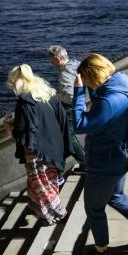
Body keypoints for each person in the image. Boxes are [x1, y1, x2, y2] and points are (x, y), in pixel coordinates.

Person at [72, 53, 128, 255]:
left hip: (105, 163)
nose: (86, 83)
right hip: (121, 157)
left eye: (86, 79)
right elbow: (102, 103)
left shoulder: (108, 102)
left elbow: (80, 125)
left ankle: (101, 251)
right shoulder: (122, 83)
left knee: (94, 208)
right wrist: (90, 86)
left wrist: (78, 92)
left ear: (92, 77)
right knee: (116, 196)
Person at [6, 64, 69, 225]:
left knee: (41, 184)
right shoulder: (47, 92)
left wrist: (9, 129)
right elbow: (61, 118)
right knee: (49, 180)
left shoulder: (24, 101)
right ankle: (41, 211)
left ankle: (58, 214)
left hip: (36, 152)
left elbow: (23, 132)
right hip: (54, 145)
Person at [47, 45, 86, 175]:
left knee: (68, 137)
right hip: (73, 107)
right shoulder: (74, 64)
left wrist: (56, 95)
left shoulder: (65, 73)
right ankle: (60, 169)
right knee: (65, 137)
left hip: (69, 108)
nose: (51, 63)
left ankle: (85, 163)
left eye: (52, 60)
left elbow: (71, 96)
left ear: (58, 59)